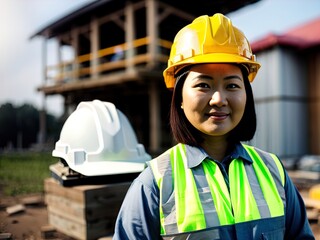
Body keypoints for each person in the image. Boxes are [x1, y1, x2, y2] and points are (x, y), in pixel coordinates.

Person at [113, 13, 315, 239]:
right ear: (179, 98)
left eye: (232, 85)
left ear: (246, 96)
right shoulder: (153, 184)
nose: (219, 98)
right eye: (203, 85)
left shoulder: (273, 171)